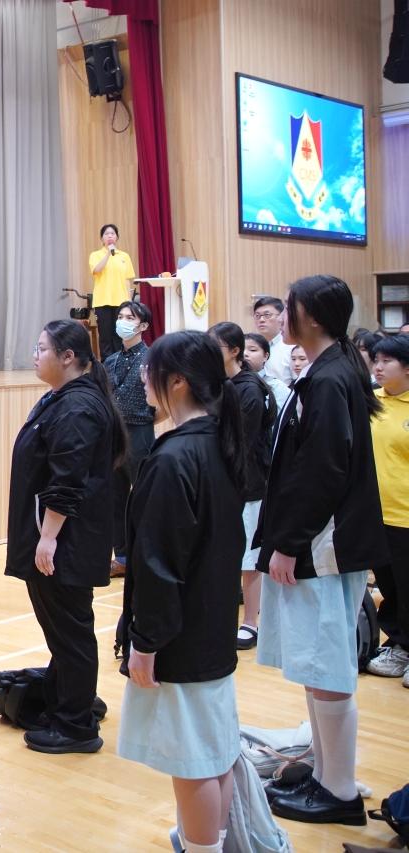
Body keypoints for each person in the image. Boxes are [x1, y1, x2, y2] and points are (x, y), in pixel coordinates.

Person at [254, 275, 388, 826]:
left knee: (327, 668)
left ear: (311, 316)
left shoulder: (331, 379)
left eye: (288, 306)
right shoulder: (325, 372)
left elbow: (323, 472)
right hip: (319, 542)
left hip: (323, 546)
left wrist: (288, 544)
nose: (281, 314)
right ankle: (326, 773)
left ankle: (338, 790)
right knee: (317, 666)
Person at [117, 331, 250, 853]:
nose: (143, 380)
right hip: (211, 619)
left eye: (149, 371)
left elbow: (158, 564)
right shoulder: (218, 441)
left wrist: (145, 642)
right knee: (214, 750)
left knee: (192, 760)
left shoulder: (174, 458)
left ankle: (203, 847)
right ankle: (210, 842)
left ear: (176, 382)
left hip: (181, 632)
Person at [5, 320, 126, 754]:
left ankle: (76, 726)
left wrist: (48, 537)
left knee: (70, 632)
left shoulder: (78, 408)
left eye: (42, 349)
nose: (35, 356)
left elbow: (67, 479)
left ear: (68, 357)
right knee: (65, 631)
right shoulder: (63, 398)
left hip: (65, 542)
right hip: (59, 537)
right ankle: (73, 701)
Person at [209, 322, 276, 651]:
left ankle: (251, 622)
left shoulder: (249, 389)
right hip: (222, 482)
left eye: (216, 346)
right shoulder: (217, 384)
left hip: (248, 484)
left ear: (234, 351)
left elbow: (238, 441)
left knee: (249, 559)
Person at [366, 334, 409, 684]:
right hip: (375, 513)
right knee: (390, 586)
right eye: (376, 360)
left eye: (386, 361)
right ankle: (399, 645)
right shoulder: (371, 400)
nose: (378, 367)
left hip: (405, 513)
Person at [103, 300, 154, 577]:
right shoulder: (110, 360)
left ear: (143, 325)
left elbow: (161, 403)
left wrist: (146, 422)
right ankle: (121, 557)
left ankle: (148, 556)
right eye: (121, 316)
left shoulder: (152, 358)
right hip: (114, 434)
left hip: (140, 432)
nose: (123, 321)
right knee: (115, 497)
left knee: (144, 495)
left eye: (130, 318)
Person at [88, 224, 137, 357]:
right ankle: (107, 364)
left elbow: (127, 280)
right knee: (105, 336)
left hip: (121, 301)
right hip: (102, 301)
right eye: (106, 234)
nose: (110, 236)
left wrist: (129, 302)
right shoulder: (95, 255)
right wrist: (108, 254)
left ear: (117, 237)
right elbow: (96, 270)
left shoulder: (124, 256)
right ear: (102, 238)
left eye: (112, 233)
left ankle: (119, 362)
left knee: (119, 334)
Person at [244, 332, 292, 410]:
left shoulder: (277, 387)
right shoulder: (231, 383)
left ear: (265, 356)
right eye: (241, 350)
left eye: (252, 350)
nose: (245, 354)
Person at [253, 296, 294, 385]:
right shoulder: (250, 347)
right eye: (257, 316)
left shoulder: (291, 347)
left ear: (281, 316)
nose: (261, 320)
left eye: (267, 315)